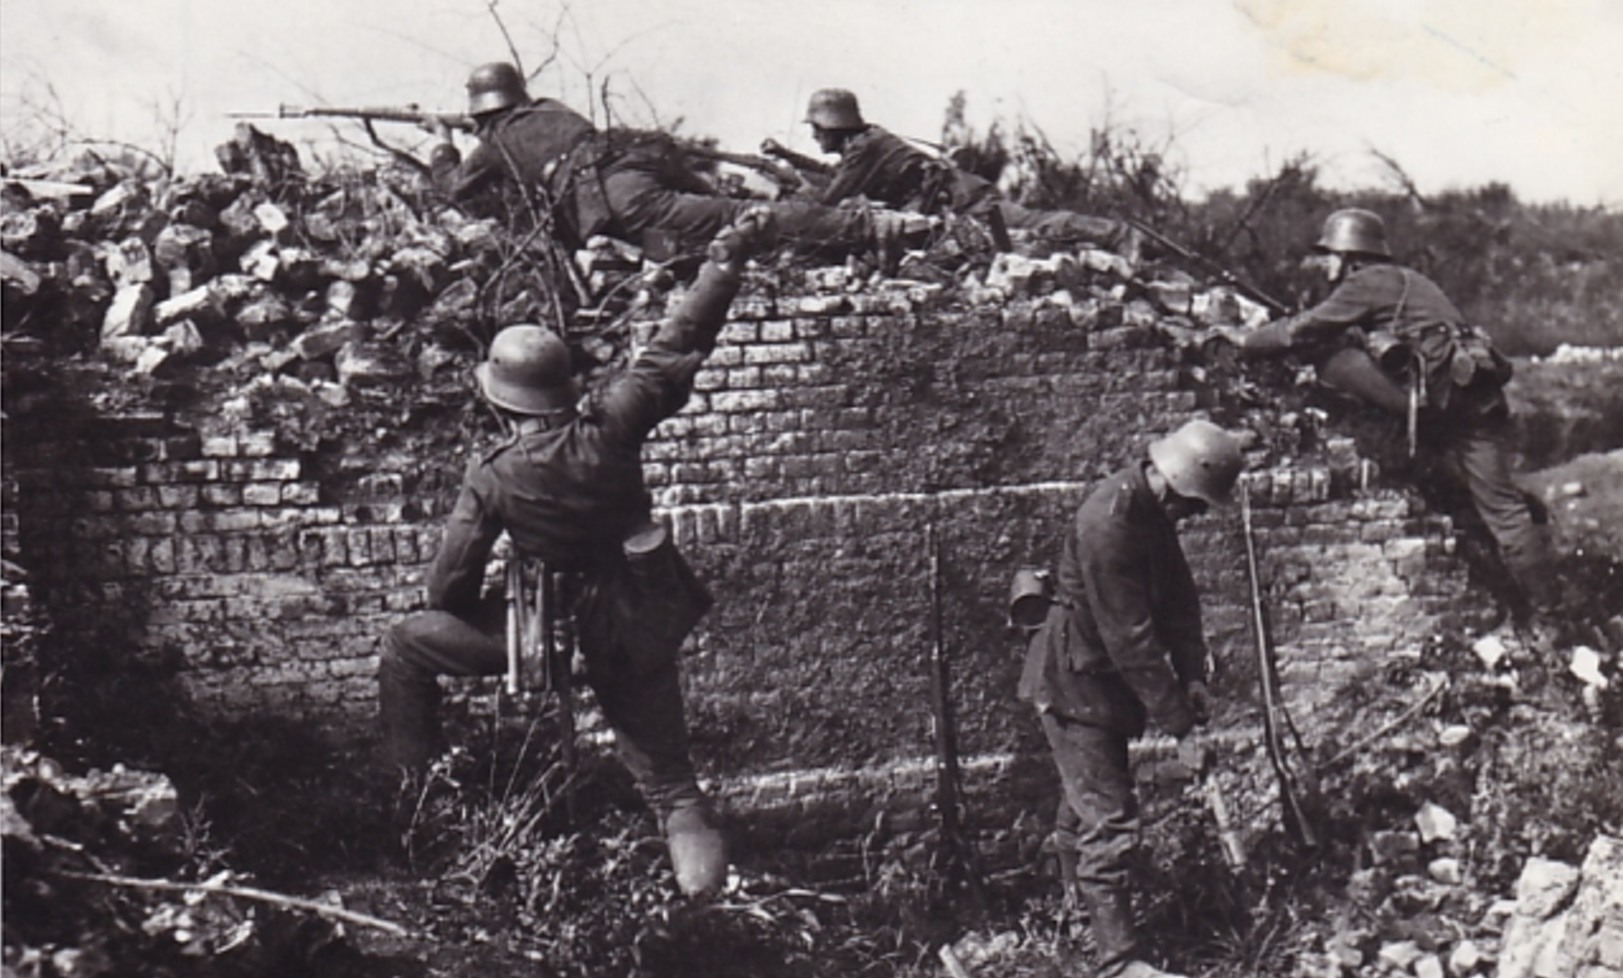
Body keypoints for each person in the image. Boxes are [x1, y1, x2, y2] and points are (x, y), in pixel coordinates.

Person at [376, 211, 778, 899]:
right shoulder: (614, 426)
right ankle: (704, 906)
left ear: (502, 403)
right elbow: (680, 342)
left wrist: (499, 620)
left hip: (539, 634)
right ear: (562, 387)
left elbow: (448, 587)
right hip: (634, 619)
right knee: (673, 786)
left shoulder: (494, 472)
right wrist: (724, 263)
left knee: (406, 646)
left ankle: (417, 817)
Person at [1228, 208, 1558, 629]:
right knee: (1507, 511)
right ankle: (1550, 616)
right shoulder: (1413, 280)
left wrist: (1248, 342)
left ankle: (1366, 432)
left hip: (1431, 401)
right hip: (1477, 399)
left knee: (1328, 356)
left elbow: (1306, 329)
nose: (1327, 264)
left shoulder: (1366, 282)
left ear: (1352, 256)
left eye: (1331, 255)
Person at [1018, 418, 1243, 978]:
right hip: (1074, 683)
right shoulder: (1109, 521)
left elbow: (1181, 604)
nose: (1195, 518)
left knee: (1081, 811)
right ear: (1176, 483)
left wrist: (1193, 676)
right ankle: (1119, 967)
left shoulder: (1152, 512)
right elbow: (1131, 639)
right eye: (1196, 506)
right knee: (1111, 821)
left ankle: (1073, 924)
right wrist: (1180, 729)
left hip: (1102, 685)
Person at [427, 62, 892, 263]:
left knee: (745, 221)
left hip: (623, 193)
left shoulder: (493, 144)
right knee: (729, 215)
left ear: (482, 109)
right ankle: (844, 230)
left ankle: (870, 230)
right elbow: (543, 141)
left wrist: (442, 142)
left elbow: (451, 189)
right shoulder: (549, 107)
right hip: (641, 156)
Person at [796, 87, 1146, 258]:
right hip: (955, 205)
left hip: (965, 200)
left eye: (818, 129)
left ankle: (1118, 235)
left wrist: (793, 194)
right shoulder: (863, 145)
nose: (814, 136)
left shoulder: (865, 148)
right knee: (1030, 238)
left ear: (834, 125)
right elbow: (835, 177)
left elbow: (832, 197)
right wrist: (785, 158)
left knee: (1034, 224)